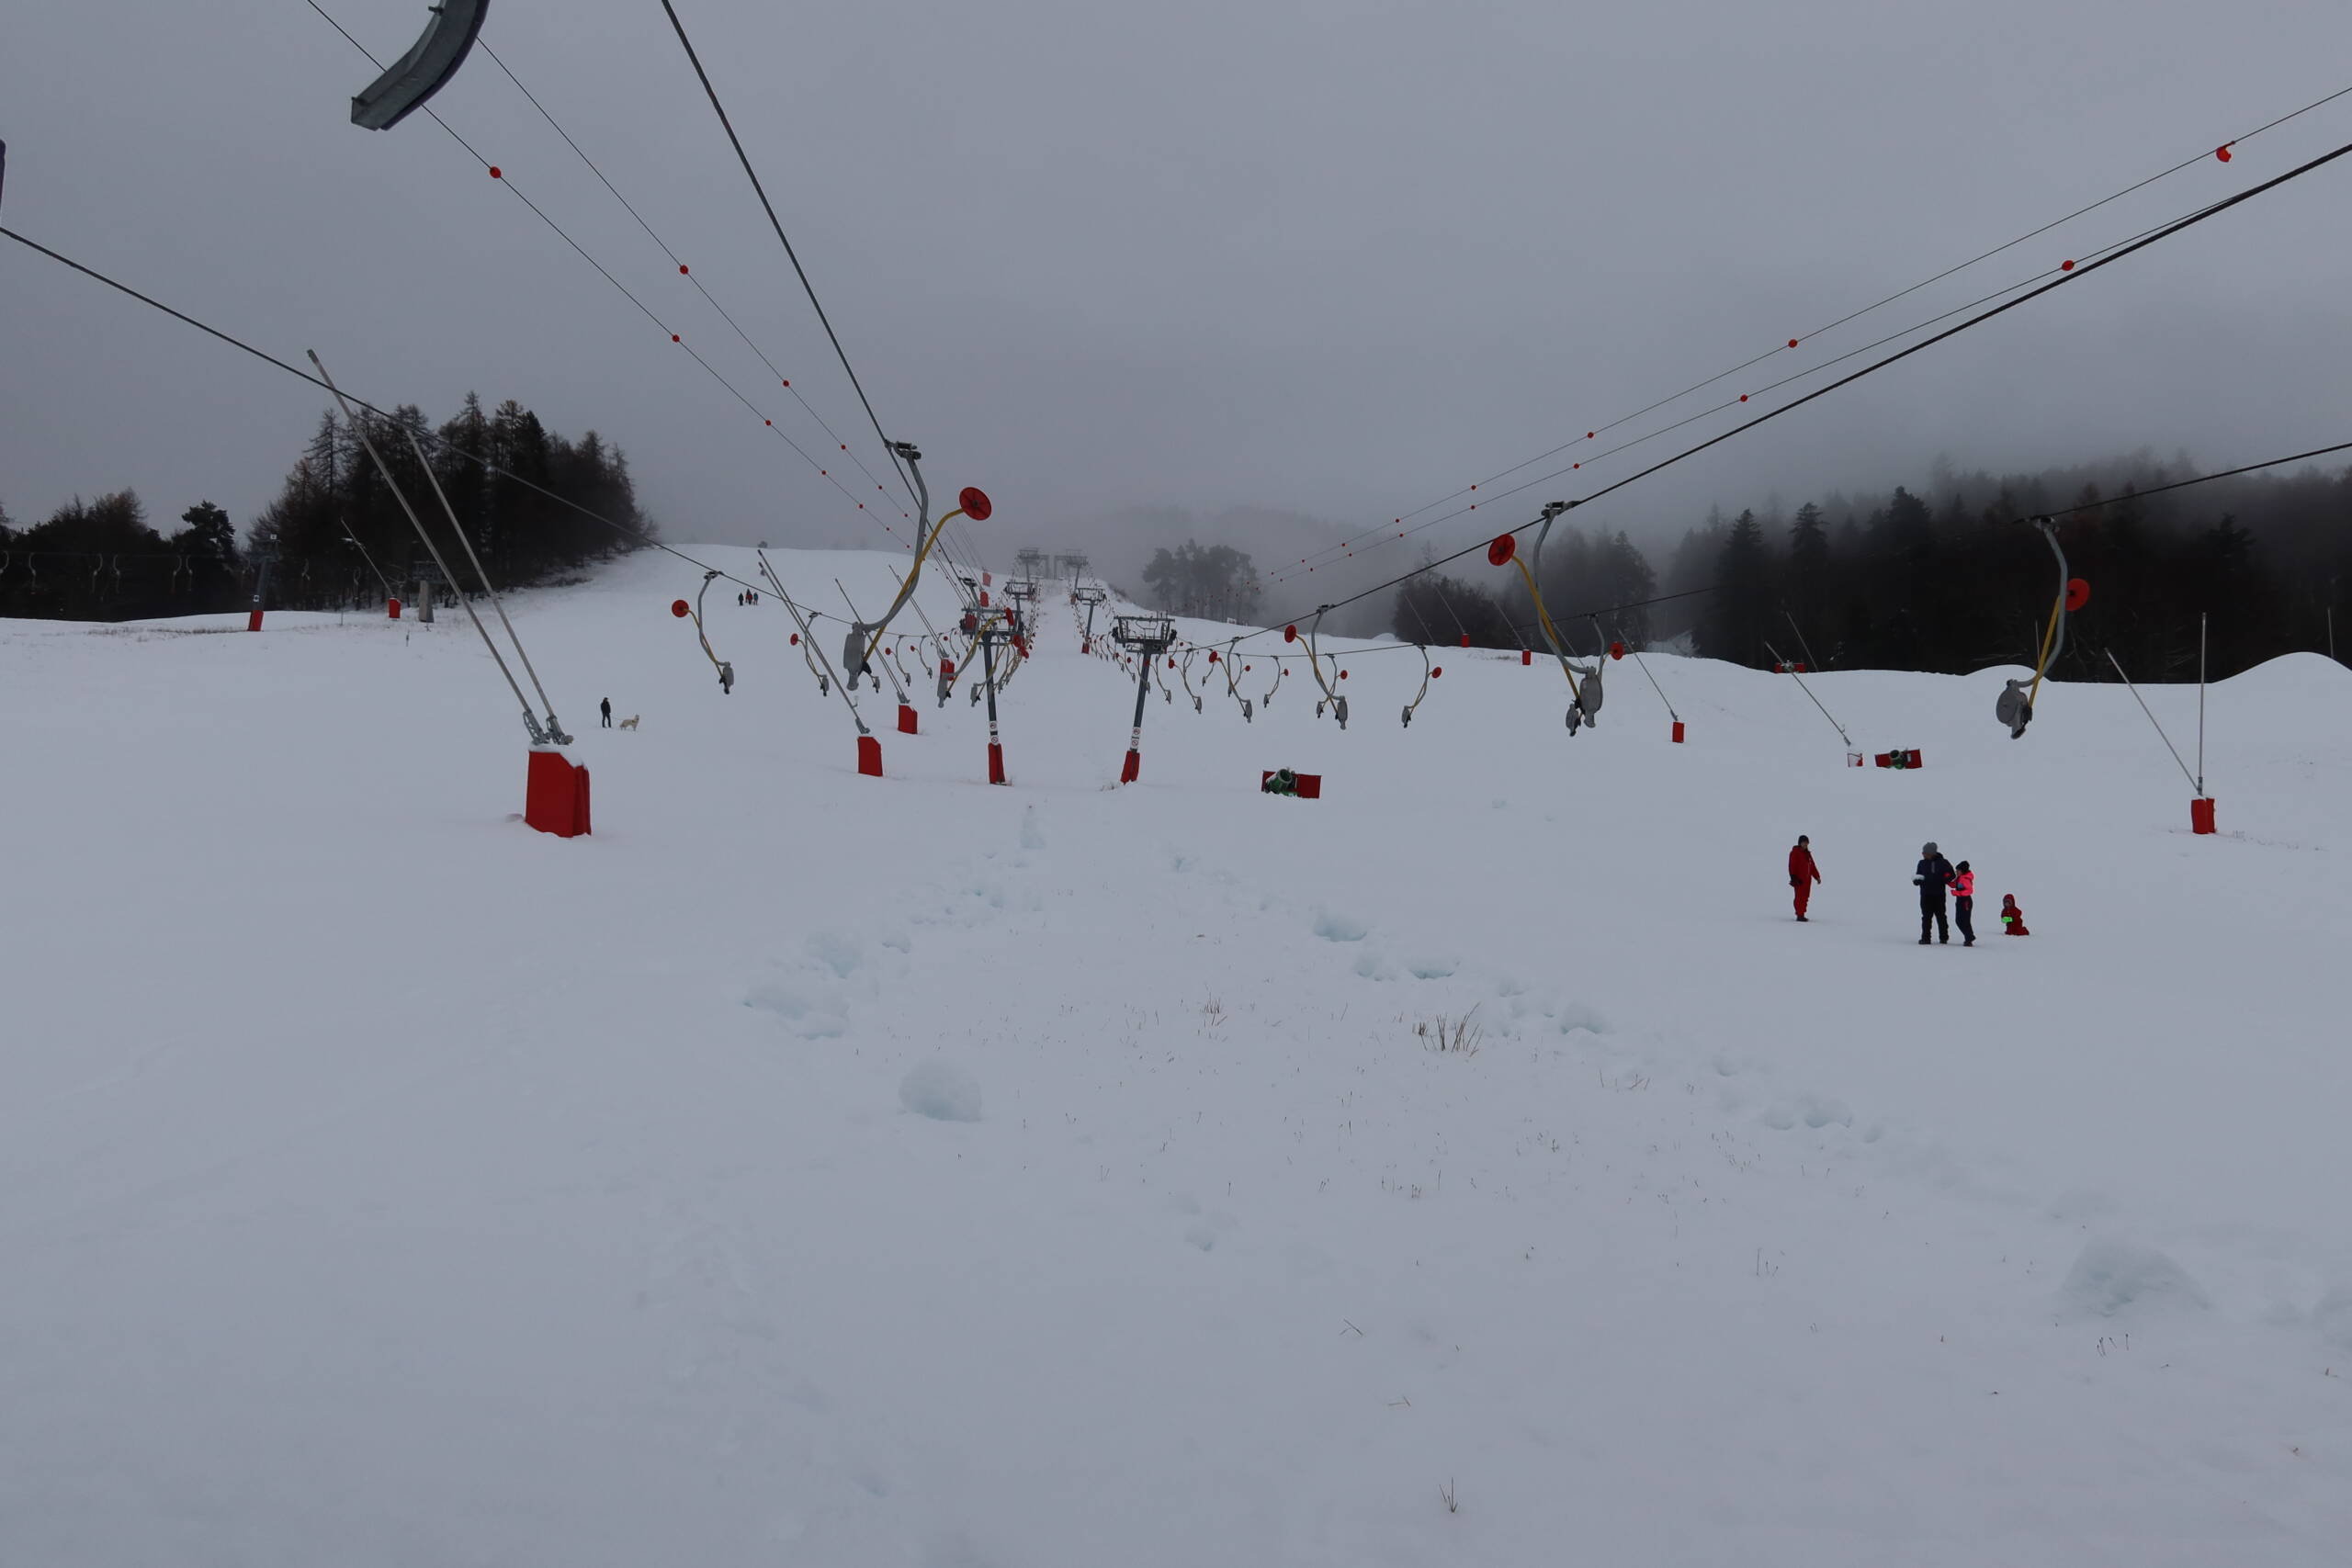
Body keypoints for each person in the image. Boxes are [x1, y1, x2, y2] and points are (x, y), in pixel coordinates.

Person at [1913, 840, 1955, 945]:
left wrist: (1943, 879)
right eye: (1923, 852)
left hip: (1939, 895)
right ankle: (1926, 938)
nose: (1923, 854)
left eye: (1925, 852)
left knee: (1941, 916)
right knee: (1926, 917)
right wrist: (1916, 881)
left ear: (1932, 853)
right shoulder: (1921, 863)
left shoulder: (1944, 862)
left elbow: (1952, 875)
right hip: (1926, 895)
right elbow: (1918, 875)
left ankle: (1944, 938)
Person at [1788, 834, 1821, 921]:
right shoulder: (1795, 853)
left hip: (1807, 881)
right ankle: (1799, 915)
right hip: (1799, 880)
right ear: (1800, 843)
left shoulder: (1808, 855)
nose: (1805, 844)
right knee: (1799, 898)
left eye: (1807, 843)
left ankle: (1802, 914)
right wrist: (1793, 877)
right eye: (1804, 842)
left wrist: (1817, 876)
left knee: (1805, 897)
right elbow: (1792, 866)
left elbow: (1812, 866)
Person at [1952, 859, 1977, 945]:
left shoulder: (1965, 879)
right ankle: (1969, 936)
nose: (1956, 872)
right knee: (1959, 920)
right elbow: (1953, 884)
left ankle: (1969, 938)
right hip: (1960, 901)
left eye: (1958, 870)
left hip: (1965, 901)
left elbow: (1970, 890)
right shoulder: (1960, 878)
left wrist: (1957, 893)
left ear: (1962, 870)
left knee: (1964, 921)